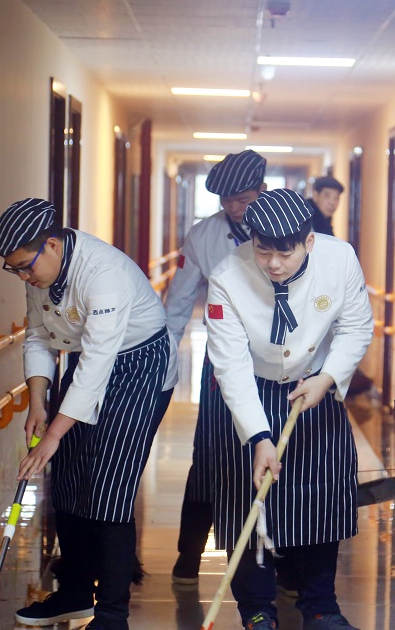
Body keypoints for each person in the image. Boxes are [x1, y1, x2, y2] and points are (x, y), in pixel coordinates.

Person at [0, 198, 176, 630]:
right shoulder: (37, 271)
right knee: (69, 481)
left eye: (25, 267)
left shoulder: (103, 273)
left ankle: (111, 616)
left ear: (52, 245)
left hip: (139, 365)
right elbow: (38, 336)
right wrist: (38, 402)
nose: (23, 277)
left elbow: (98, 362)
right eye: (14, 270)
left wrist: (53, 434)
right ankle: (73, 593)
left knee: (110, 489)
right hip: (88, 359)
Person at [204, 188, 373, 630]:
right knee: (245, 499)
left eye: (285, 252)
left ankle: (320, 607)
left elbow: (356, 327)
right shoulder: (227, 277)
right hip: (251, 387)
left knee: (321, 496)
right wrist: (259, 436)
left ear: (308, 241)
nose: (274, 264)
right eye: (263, 251)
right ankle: (257, 609)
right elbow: (231, 365)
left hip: (315, 381)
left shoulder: (340, 259)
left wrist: (328, 377)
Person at [164, 149, 267, 585]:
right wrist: (163, 361)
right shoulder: (203, 235)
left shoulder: (291, 227)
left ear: (262, 190)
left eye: (242, 199)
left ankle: (278, 560)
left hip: (280, 357)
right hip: (223, 354)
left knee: (274, 449)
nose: (234, 208)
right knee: (209, 451)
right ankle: (189, 553)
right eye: (226, 200)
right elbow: (179, 300)